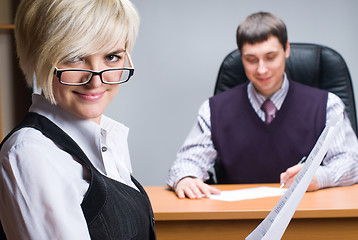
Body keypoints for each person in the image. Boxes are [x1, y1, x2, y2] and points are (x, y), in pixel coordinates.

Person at [0, 0, 156, 239]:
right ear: (39, 56)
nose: (95, 80)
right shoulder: (31, 154)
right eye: (75, 57)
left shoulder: (105, 135)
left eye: (112, 57)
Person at [167, 11, 358, 199]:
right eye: (251, 60)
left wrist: (319, 177)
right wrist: (186, 177)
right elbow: (187, 160)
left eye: (270, 57)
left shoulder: (327, 105)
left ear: (286, 49)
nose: (261, 69)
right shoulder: (213, 109)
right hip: (235, 220)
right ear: (241, 57)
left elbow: (352, 161)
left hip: (308, 216)